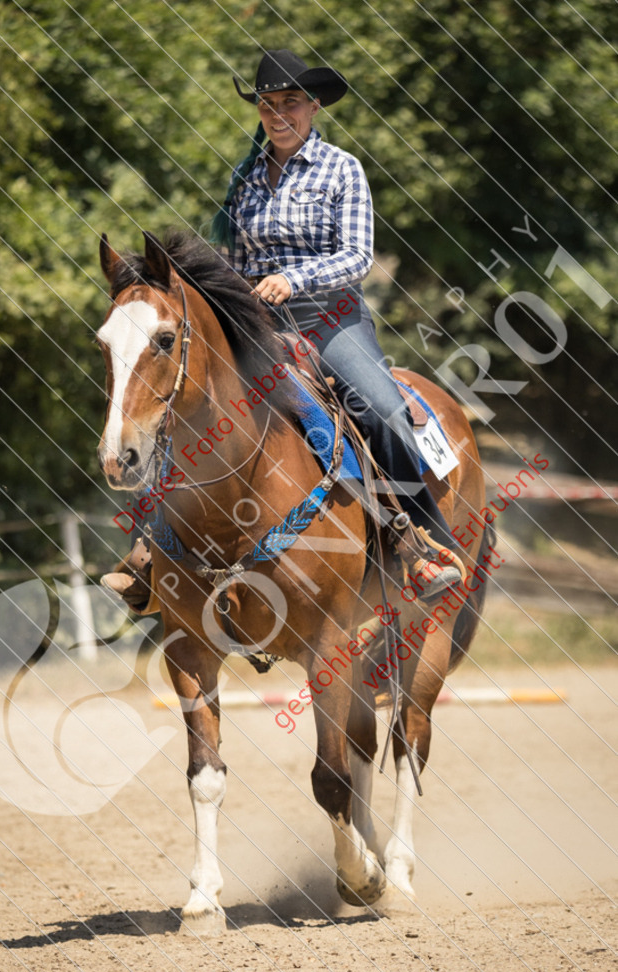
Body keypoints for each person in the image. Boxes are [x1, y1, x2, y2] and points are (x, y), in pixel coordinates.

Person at [104, 49, 463, 608]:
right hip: (259, 325)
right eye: (268, 105)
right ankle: (151, 547)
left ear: (313, 106)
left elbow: (357, 257)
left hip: (331, 321)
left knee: (382, 408)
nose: (278, 114)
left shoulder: (342, 168)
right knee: (184, 398)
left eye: (290, 102)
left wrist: (294, 280)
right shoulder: (244, 178)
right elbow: (235, 256)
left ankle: (421, 542)